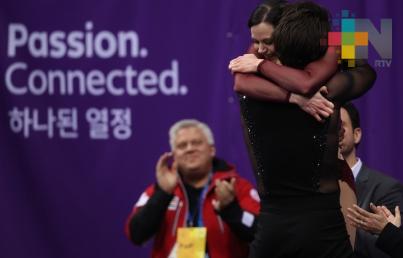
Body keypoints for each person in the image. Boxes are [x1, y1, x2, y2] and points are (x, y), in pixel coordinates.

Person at [228, 1, 376, 257]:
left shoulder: (248, 85)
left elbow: (246, 72)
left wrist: (260, 65)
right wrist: (337, 39)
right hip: (323, 227)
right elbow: (366, 70)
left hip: (273, 228)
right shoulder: (329, 88)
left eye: (267, 42)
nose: (260, 50)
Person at [125, 119, 260, 258]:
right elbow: (136, 235)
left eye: (196, 143)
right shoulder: (162, 188)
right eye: (182, 145)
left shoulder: (235, 186)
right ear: (174, 154)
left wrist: (232, 210)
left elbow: (261, 233)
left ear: (212, 150)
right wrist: (162, 194)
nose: (189, 149)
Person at [339, 102, 403, 258]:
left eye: (339, 125)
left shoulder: (387, 188)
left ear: (357, 134)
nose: (333, 132)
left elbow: (393, 248)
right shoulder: (310, 187)